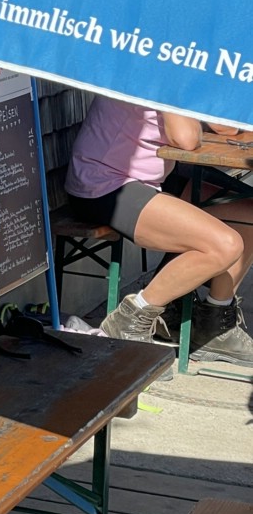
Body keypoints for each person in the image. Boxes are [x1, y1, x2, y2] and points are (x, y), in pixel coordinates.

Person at [64, 96, 253, 367]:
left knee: (247, 213)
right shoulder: (163, 73)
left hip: (151, 178)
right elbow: (186, 138)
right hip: (104, 183)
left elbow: (225, 126)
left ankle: (214, 323)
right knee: (225, 245)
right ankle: (129, 320)